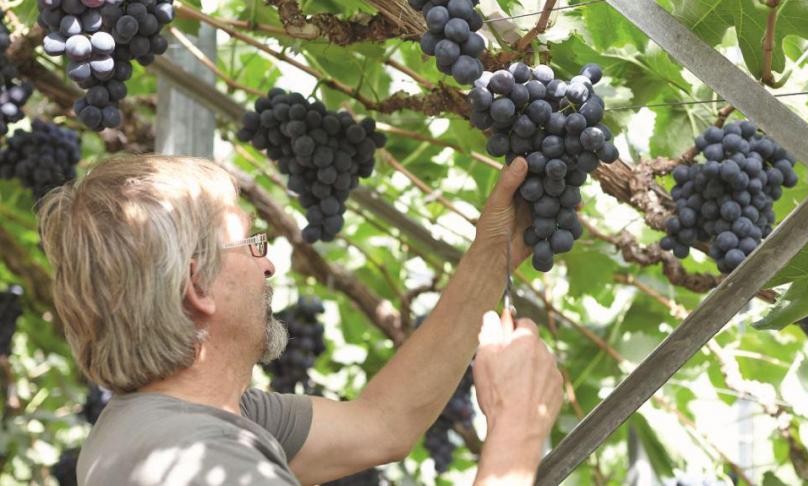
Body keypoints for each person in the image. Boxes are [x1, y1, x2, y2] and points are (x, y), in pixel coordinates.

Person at [37, 154, 563, 485]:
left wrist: (493, 252)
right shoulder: (198, 464)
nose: (268, 263)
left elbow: (381, 425)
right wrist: (516, 431)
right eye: (252, 243)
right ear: (198, 287)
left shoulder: (184, 420)